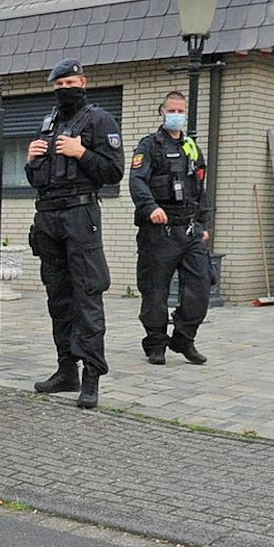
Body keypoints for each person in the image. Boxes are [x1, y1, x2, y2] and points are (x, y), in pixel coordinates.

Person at [25, 58, 125, 409]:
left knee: (87, 295)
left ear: (83, 83)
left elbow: (113, 171)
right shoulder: (49, 122)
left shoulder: (99, 120)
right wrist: (30, 160)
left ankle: (91, 377)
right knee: (59, 298)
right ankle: (66, 370)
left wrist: (81, 152)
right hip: (48, 217)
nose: (64, 90)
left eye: (70, 84)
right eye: (59, 85)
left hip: (80, 216)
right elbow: (37, 179)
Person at [127, 91, 213, 366]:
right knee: (155, 291)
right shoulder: (149, 145)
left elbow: (199, 189)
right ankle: (156, 343)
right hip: (159, 231)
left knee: (201, 286)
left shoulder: (191, 147)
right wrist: (150, 207)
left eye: (181, 111)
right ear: (162, 112)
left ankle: (183, 338)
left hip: (189, 230)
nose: (177, 115)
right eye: (171, 110)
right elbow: (137, 181)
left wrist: (203, 224)